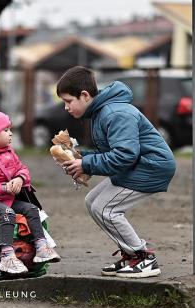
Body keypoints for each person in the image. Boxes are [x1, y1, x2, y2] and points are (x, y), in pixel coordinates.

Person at [56, 66, 176, 278]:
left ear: (84, 96)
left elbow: (125, 155)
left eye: (68, 101)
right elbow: (112, 152)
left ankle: (144, 258)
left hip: (150, 167)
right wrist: (81, 157)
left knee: (106, 209)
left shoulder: (115, 113)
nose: (65, 107)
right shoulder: (101, 113)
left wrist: (87, 165)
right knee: (92, 201)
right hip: (137, 165)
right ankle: (131, 256)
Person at [0, 101, 60, 274]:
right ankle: (7, 256)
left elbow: (22, 169)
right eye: (6, 130)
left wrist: (19, 178)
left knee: (32, 209)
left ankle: (41, 246)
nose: (10, 134)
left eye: (9, 129)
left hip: (6, 198)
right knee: (7, 214)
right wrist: (3, 187)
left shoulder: (9, 152)